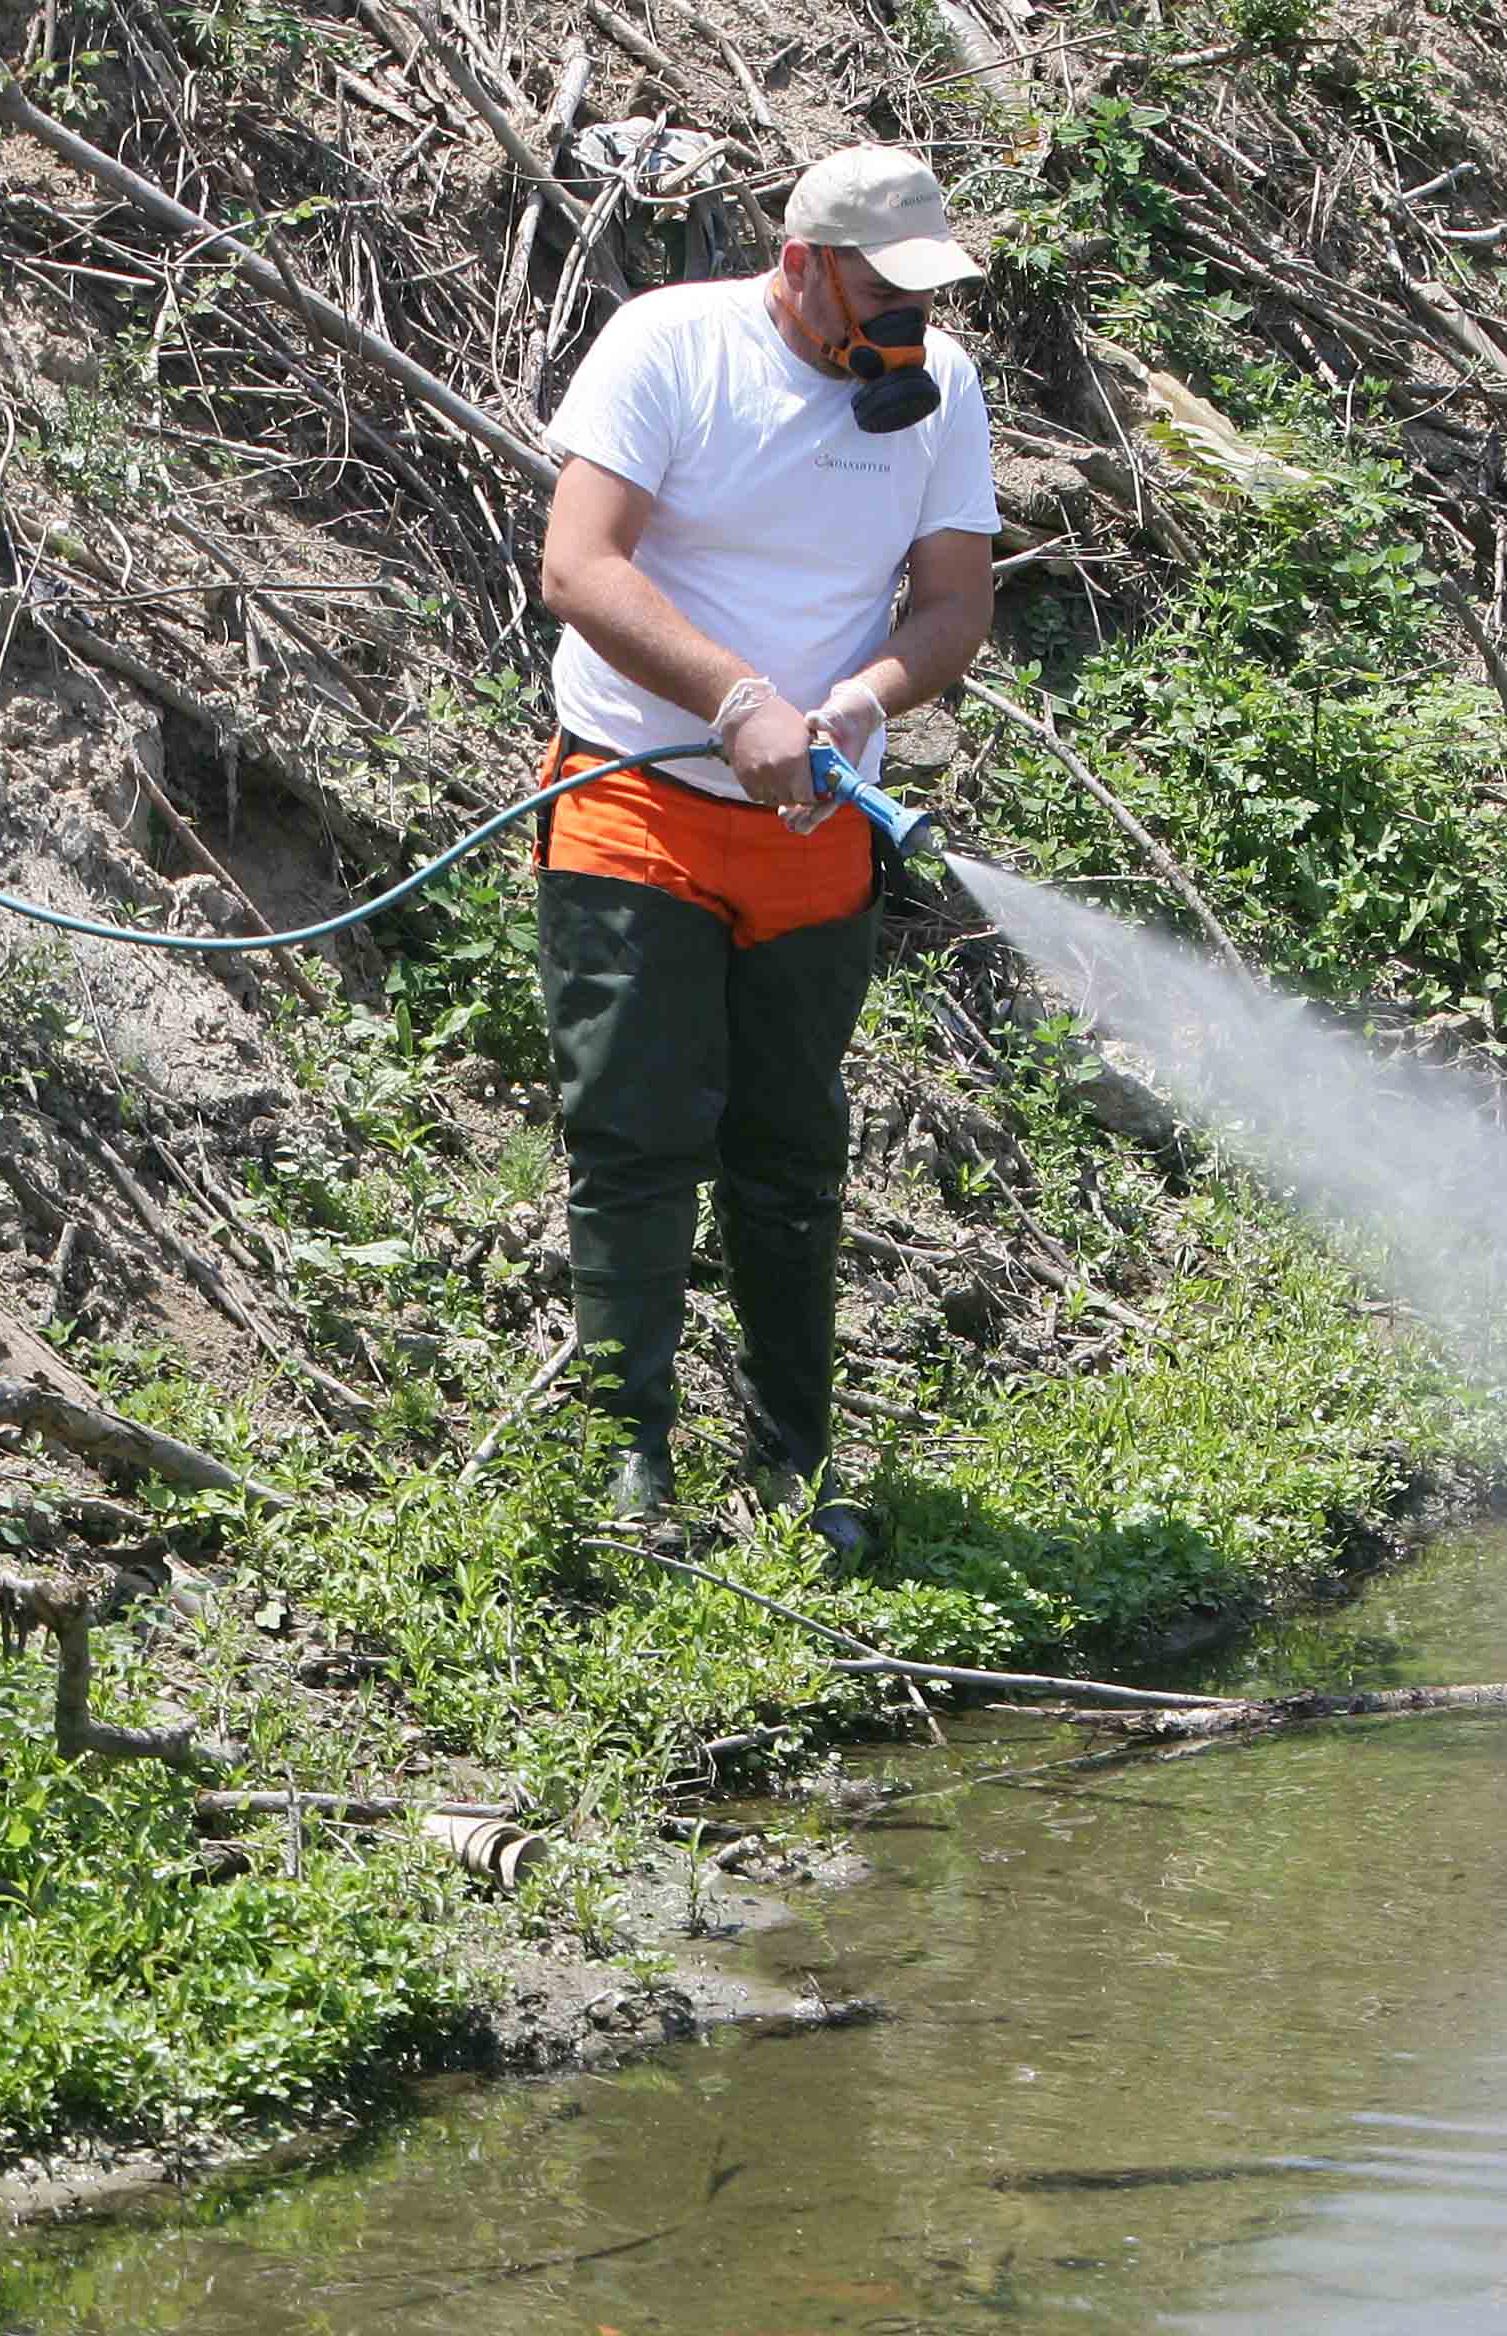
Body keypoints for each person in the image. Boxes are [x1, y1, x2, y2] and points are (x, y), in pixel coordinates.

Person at [533, 144, 1000, 1541]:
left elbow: (953, 605)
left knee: (791, 1148)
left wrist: (854, 702)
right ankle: (631, 1461)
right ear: (802, 265)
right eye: (883, 293)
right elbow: (581, 562)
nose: (907, 328)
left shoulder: (943, 398)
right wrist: (735, 699)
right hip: (635, 798)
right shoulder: (671, 347)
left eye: (927, 296)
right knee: (636, 1128)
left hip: (813, 834)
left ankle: (796, 1464)